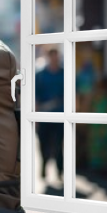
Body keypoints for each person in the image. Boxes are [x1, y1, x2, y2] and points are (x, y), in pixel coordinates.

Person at [35, 47, 64, 181]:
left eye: (56, 57)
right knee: (43, 144)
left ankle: (59, 170)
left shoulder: (64, 74)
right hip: (44, 115)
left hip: (61, 115)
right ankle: (44, 166)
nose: (54, 59)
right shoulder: (40, 75)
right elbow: (35, 97)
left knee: (58, 144)